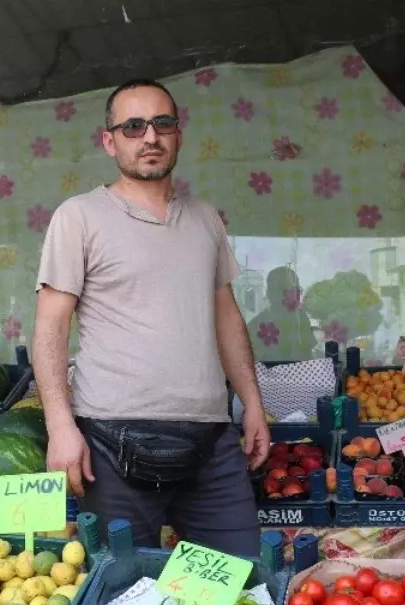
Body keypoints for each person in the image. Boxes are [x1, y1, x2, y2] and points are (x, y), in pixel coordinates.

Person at [32, 78, 271, 556]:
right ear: (109, 140)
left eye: (162, 123)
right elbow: (50, 327)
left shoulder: (206, 219)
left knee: (235, 585)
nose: (150, 137)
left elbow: (227, 318)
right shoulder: (79, 217)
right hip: (110, 442)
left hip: (212, 439)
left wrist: (253, 403)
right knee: (119, 599)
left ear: (178, 134)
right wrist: (60, 426)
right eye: (133, 126)